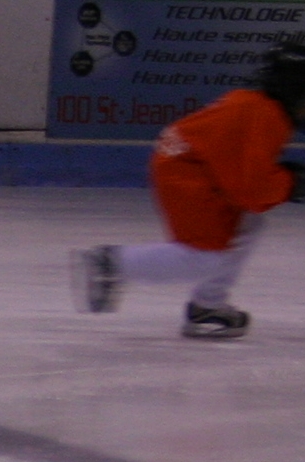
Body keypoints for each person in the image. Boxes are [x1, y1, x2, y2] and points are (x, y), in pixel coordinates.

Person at [73, 37, 305, 339]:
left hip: (188, 163)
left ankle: (207, 306)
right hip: (187, 172)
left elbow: (247, 182)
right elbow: (251, 190)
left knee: (247, 224)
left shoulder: (260, 108)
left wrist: (288, 181)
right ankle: (113, 263)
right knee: (202, 257)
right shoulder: (265, 117)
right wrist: (291, 184)